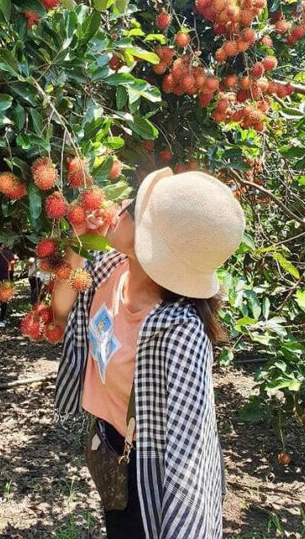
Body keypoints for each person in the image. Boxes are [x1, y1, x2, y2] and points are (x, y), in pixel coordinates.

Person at [52, 168, 245, 539]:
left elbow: (189, 447)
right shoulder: (110, 270)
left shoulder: (181, 331)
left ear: (149, 242)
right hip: (109, 444)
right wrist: (79, 241)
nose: (119, 207)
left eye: (132, 210)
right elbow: (63, 311)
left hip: (151, 465)